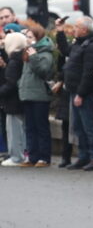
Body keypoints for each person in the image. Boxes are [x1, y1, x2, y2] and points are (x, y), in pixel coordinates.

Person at [55, 16, 93, 171]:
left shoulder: (91, 46)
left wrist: (81, 94)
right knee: (78, 126)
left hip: (83, 92)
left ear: (84, 29)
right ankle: (83, 157)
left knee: (89, 125)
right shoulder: (79, 43)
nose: (73, 29)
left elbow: (89, 72)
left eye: (76, 27)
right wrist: (60, 31)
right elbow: (64, 50)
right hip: (73, 90)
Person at [19, 25, 55, 167]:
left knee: (41, 127)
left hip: (40, 95)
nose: (27, 40)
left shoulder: (45, 54)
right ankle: (32, 156)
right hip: (27, 93)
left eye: (30, 37)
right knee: (30, 127)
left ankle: (44, 157)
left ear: (37, 38)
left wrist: (34, 56)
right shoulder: (27, 52)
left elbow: (43, 71)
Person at [0, 33, 27, 167]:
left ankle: (16, 157)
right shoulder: (21, 58)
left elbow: (10, 83)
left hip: (12, 101)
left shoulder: (14, 61)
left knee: (14, 130)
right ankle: (21, 155)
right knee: (20, 129)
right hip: (20, 99)